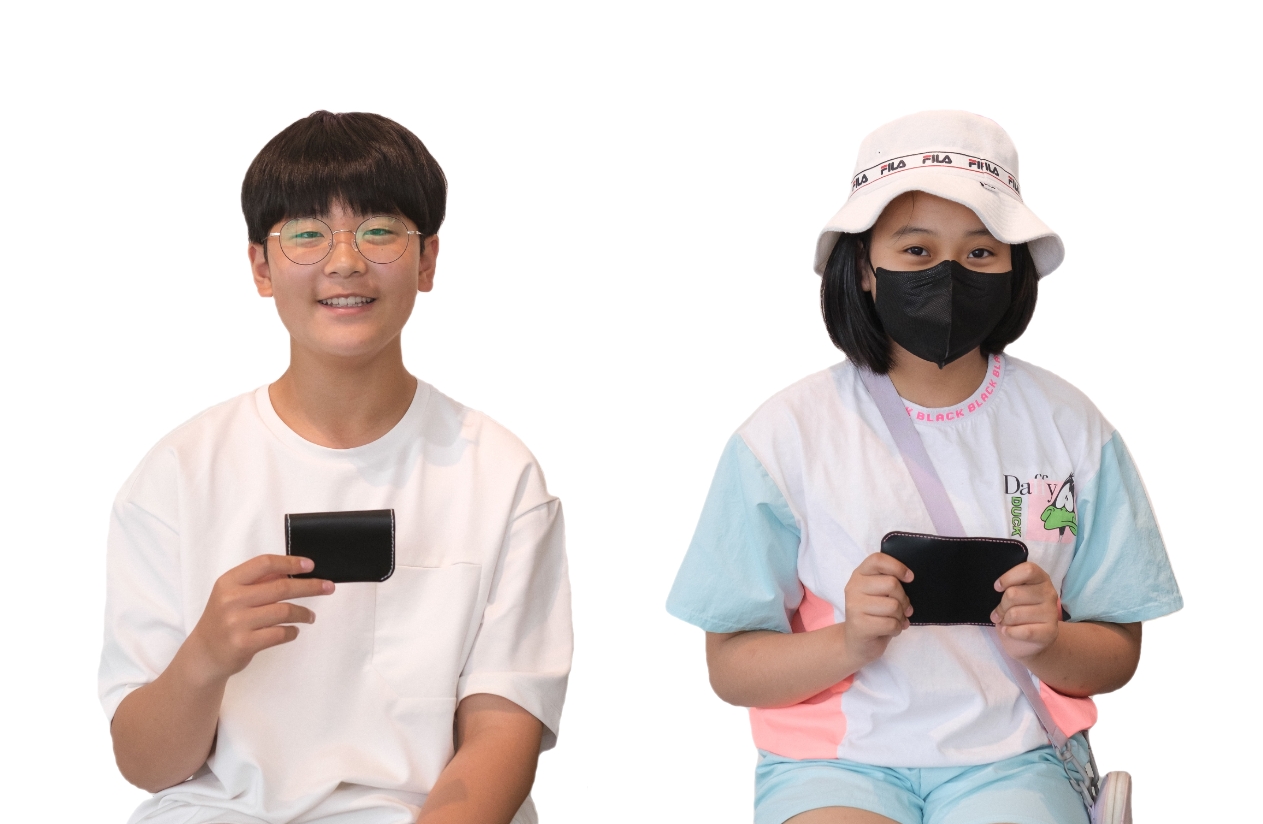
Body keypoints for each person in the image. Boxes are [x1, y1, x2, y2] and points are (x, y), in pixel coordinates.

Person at [666, 110, 1181, 824]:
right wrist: (849, 641)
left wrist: (1051, 641)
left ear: (1014, 268)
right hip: (830, 766)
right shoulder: (783, 435)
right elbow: (731, 667)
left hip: (1016, 759)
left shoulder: (1073, 428)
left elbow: (1117, 651)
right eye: (915, 249)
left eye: (980, 252)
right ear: (863, 267)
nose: (948, 273)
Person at [99, 111, 572, 824]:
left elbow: (502, 737)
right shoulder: (177, 476)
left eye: (379, 231)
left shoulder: (500, 477)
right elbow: (146, 763)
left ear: (427, 260)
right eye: (306, 233)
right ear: (261, 266)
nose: (345, 260)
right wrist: (205, 655)